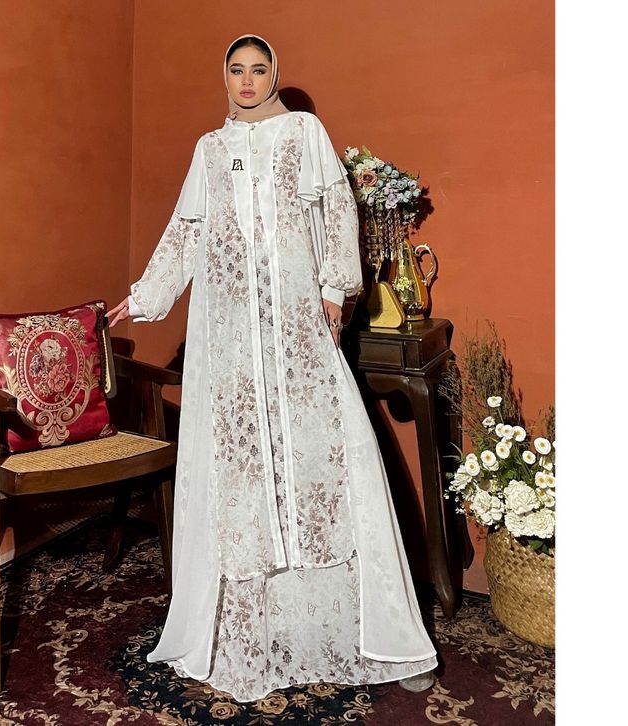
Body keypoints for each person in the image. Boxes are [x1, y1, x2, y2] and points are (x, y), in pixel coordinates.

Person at [107, 33, 437, 703]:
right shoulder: (210, 149)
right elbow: (187, 234)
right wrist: (143, 298)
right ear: (225, 78)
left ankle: (381, 637)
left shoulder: (304, 133)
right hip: (231, 339)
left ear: (274, 76)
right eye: (237, 70)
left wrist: (333, 291)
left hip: (297, 328)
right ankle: (257, 638)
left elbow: (335, 210)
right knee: (244, 474)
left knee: (327, 462)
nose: (248, 80)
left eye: (259, 69)